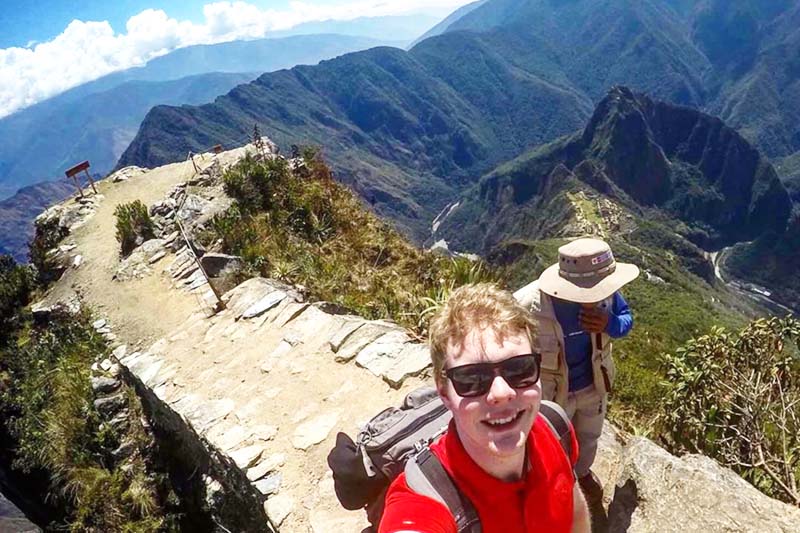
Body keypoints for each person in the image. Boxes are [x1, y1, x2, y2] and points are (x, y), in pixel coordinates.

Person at [379, 283, 591, 533]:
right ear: (444, 392)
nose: (501, 393)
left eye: (519, 368)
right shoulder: (428, 496)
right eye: (472, 379)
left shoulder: (554, 426)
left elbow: (574, 510)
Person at [514, 238, 638, 512]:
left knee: (589, 436)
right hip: (551, 393)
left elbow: (626, 318)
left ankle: (580, 475)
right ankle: (552, 487)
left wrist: (611, 323)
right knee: (549, 443)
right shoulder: (528, 305)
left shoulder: (607, 295)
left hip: (593, 384)